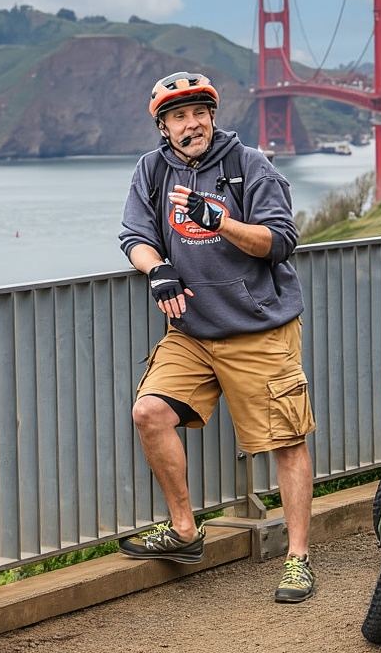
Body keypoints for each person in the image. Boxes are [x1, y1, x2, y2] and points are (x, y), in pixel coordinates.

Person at [118, 71, 317, 603]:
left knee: (287, 440)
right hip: (191, 330)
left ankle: (297, 557)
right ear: (162, 126)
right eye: (179, 117)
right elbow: (135, 235)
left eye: (199, 113)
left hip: (258, 329)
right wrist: (157, 269)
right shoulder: (151, 170)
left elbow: (280, 241)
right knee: (149, 413)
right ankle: (185, 531)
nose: (192, 124)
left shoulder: (248, 165)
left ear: (213, 115)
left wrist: (221, 221)